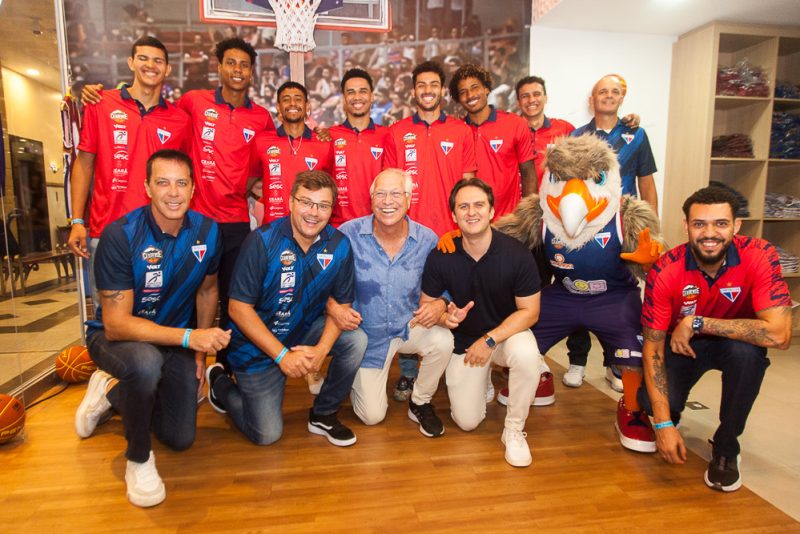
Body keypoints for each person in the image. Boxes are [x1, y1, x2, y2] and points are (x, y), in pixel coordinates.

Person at [80, 38, 276, 371]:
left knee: (234, 297)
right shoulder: (192, 102)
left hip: (234, 221)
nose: (237, 70)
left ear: (252, 72)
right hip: (193, 220)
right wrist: (97, 93)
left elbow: (266, 160)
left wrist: (240, 188)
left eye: (244, 65)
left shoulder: (261, 117)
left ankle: (223, 370)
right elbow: (152, 108)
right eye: (231, 62)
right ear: (219, 67)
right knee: (185, 294)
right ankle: (178, 364)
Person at [74, 149, 229, 507]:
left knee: (180, 437)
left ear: (193, 189)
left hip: (172, 341)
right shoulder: (120, 235)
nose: (173, 192)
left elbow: (208, 291)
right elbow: (117, 324)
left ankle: (110, 395)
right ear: (147, 187)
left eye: (181, 183)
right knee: (144, 363)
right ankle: (139, 458)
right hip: (115, 339)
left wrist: (198, 356)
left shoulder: (208, 231)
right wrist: (191, 337)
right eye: (163, 183)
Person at [638, 186, 792, 492]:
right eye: (700, 224)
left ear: (736, 225)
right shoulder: (666, 269)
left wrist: (697, 322)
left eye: (720, 223)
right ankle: (673, 415)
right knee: (650, 404)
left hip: (733, 343)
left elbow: (779, 334)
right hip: (681, 345)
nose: (710, 233)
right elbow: (652, 349)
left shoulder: (760, 255)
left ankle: (726, 447)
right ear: (686, 226)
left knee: (747, 355)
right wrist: (663, 423)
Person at [205, 170, 367, 447]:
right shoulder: (261, 241)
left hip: (303, 330)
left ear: (332, 209)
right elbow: (238, 308)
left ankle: (323, 413)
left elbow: (342, 303)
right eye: (306, 202)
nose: (313, 212)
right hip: (256, 344)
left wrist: (321, 350)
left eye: (323, 205)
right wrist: (282, 356)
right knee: (266, 434)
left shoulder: (339, 245)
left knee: (356, 340)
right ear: (291, 202)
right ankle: (219, 381)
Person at [419, 178, 542, 467]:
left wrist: (489, 340)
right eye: (463, 207)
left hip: (504, 338)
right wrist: (445, 318)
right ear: (454, 215)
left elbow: (530, 312)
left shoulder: (517, 254)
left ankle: (514, 429)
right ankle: (482, 379)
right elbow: (427, 305)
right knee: (467, 422)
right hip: (466, 345)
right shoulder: (441, 255)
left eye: (479, 205)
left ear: (492, 211)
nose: (471, 212)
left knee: (527, 354)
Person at [68, 36, 191, 303]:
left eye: (158, 61)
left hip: (161, 235)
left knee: (159, 313)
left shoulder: (180, 119)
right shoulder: (100, 103)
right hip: (108, 231)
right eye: (143, 58)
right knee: (108, 317)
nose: (150, 65)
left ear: (168, 69)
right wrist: (77, 221)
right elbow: (84, 164)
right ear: (131, 62)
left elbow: (185, 179)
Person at [383, 60, 477, 400]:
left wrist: (462, 229)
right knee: (412, 303)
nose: (427, 90)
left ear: (442, 91)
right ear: (413, 91)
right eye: (421, 85)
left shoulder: (461, 131)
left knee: (452, 301)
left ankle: (456, 369)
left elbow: (467, 187)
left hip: (450, 236)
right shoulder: (396, 132)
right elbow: (391, 187)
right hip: (410, 237)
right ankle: (409, 373)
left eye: (433, 84)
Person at [337, 169, 453, 429]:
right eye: (380, 194)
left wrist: (441, 303)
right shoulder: (347, 234)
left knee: (443, 340)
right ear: (371, 199)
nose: (387, 201)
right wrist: (336, 309)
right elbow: (325, 283)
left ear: (409, 199)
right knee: (372, 416)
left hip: (409, 327)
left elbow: (446, 285)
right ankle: (351, 375)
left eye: (395, 194)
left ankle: (420, 400)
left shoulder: (428, 239)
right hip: (367, 337)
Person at [449, 64, 535, 217]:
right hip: (471, 220)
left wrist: (528, 217)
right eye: (463, 92)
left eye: (475, 87)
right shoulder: (456, 131)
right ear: (458, 98)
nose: (470, 95)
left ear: (487, 89)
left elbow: (528, 173)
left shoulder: (515, 124)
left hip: (508, 221)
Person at [251, 82, 333, 225]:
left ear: (307, 106)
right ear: (278, 107)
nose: (292, 103)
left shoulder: (324, 143)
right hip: (273, 228)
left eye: (298, 99)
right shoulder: (262, 141)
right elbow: (250, 178)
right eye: (286, 99)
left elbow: (331, 190)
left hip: (310, 228)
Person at [327, 68, 390, 226]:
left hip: (379, 227)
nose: (357, 97)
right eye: (351, 92)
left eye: (363, 91)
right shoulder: (328, 136)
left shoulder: (388, 135)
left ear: (372, 96)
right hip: (339, 228)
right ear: (344, 99)